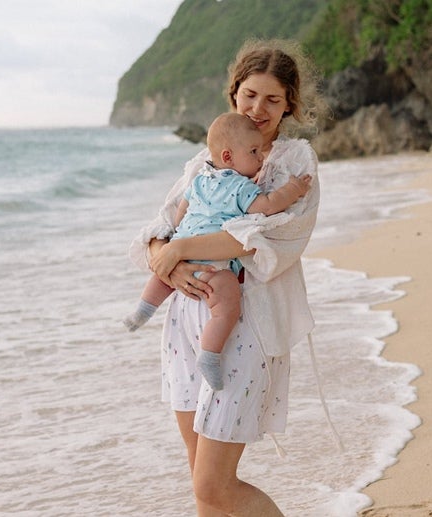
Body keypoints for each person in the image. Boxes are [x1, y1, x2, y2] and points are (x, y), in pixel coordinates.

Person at [129, 38, 326, 516]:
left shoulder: (294, 165)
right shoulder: (208, 161)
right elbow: (156, 231)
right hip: (184, 327)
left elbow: (257, 240)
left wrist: (178, 249)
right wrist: (165, 256)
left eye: (273, 99)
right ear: (234, 93)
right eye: (249, 95)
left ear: (289, 106)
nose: (258, 108)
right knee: (201, 481)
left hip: (246, 327)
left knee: (215, 486)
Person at [123, 112, 312, 391]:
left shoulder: (200, 180)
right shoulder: (241, 187)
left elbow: (179, 214)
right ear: (227, 156)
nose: (261, 158)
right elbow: (269, 206)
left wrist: (180, 237)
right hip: (214, 264)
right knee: (227, 307)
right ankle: (210, 355)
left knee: (162, 277)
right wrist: (292, 190)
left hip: (183, 252)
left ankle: (143, 310)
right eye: (253, 151)